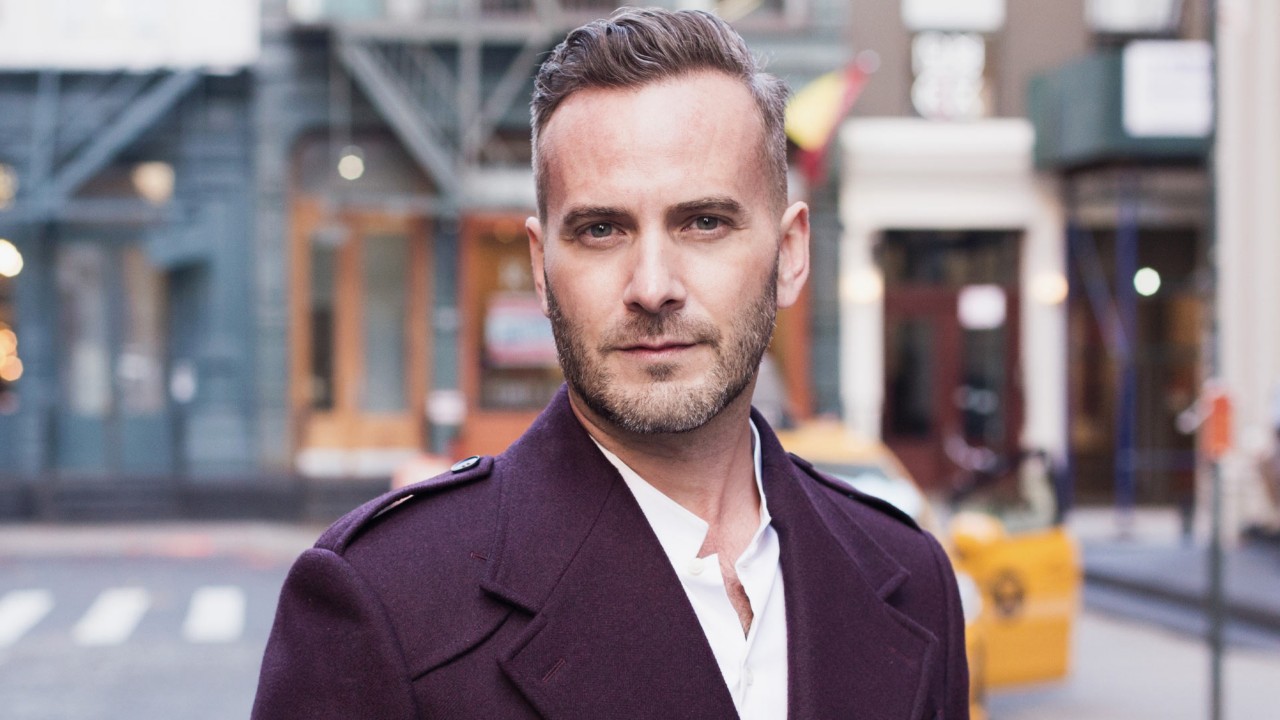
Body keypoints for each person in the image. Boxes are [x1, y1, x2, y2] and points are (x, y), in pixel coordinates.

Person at [252, 8, 969, 719]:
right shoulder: (385, 602)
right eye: (601, 230)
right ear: (541, 268)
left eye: (704, 223)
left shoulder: (912, 579)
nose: (652, 286)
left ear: (789, 255)